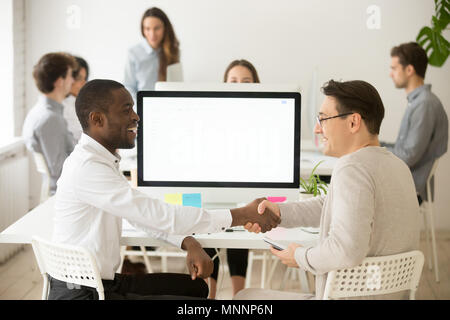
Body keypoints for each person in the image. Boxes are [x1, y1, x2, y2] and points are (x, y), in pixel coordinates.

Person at [50, 79, 280, 300]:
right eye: (126, 110)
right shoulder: (88, 168)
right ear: (97, 119)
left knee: (197, 289)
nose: (136, 116)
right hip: (84, 293)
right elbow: (157, 213)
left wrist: (187, 242)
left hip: (102, 283)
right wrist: (240, 215)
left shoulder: (101, 160)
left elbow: (139, 215)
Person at [235, 79, 421, 300]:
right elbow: (334, 205)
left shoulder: (352, 167)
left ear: (353, 122)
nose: (316, 129)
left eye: (323, 119)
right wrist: (280, 212)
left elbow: (346, 250)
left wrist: (301, 257)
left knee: (245, 298)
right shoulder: (398, 166)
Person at [203, 59, 260, 298]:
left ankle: (239, 296)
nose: (239, 86)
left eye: (246, 82)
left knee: (239, 225)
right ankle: (210, 296)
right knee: (212, 227)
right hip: (213, 182)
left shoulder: (262, 115)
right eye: (233, 81)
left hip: (248, 183)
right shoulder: (211, 114)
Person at [382, 42, 448, 205]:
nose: (391, 74)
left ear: (409, 70)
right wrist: (375, 145)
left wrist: (378, 150)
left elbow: (408, 156)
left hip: (410, 185)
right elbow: (404, 149)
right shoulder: (418, 102)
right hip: (404, 178)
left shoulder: (424, 105)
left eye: (394, 68)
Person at [22, 52, 77, 195]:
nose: (72, 81)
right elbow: (59, 170)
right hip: (65, 194)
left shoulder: (40, 111)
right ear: (60, 81)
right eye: (71, 75)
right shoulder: (50, 119)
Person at [123, 7, 180, 102]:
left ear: (165, 28)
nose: (152, 34)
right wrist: (139, 107)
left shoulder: (172, 51)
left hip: (168, 104)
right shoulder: (134, 53)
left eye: (157, 28)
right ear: (143, 29)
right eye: (147, 29)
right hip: (141, 108)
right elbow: (129, 87)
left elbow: (177, 84)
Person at [63, 56, 89, 143]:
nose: (84, 83)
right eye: (79, 78)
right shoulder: (64, 107)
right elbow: (83, 135)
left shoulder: (79, 102)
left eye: (85, 79)